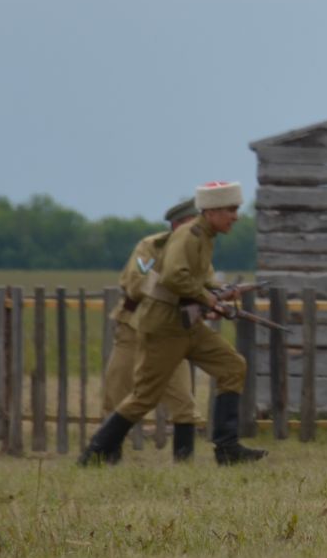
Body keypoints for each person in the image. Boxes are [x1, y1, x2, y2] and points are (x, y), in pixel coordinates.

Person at [79, 181, 264, 467]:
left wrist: (216, 295)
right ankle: (98, 453)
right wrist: (208, 299)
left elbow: (199, 281)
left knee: (229, 369)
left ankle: (224, 449)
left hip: (184, 324)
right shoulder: (166, 242)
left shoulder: (204, 239)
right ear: (207, 212)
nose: (236, 216)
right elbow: (164, 279)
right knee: (138, 396)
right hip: (149, 325)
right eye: (231, 209)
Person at [98, 197, 205, 462]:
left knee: (183, 403)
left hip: (170, 335)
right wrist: (176, 289)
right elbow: (136, 283)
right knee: (117, 394)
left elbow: (204, 289)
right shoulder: (151, 247)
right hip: (134, 329)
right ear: (178, 224)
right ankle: (105, 458)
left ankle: (185, 461)